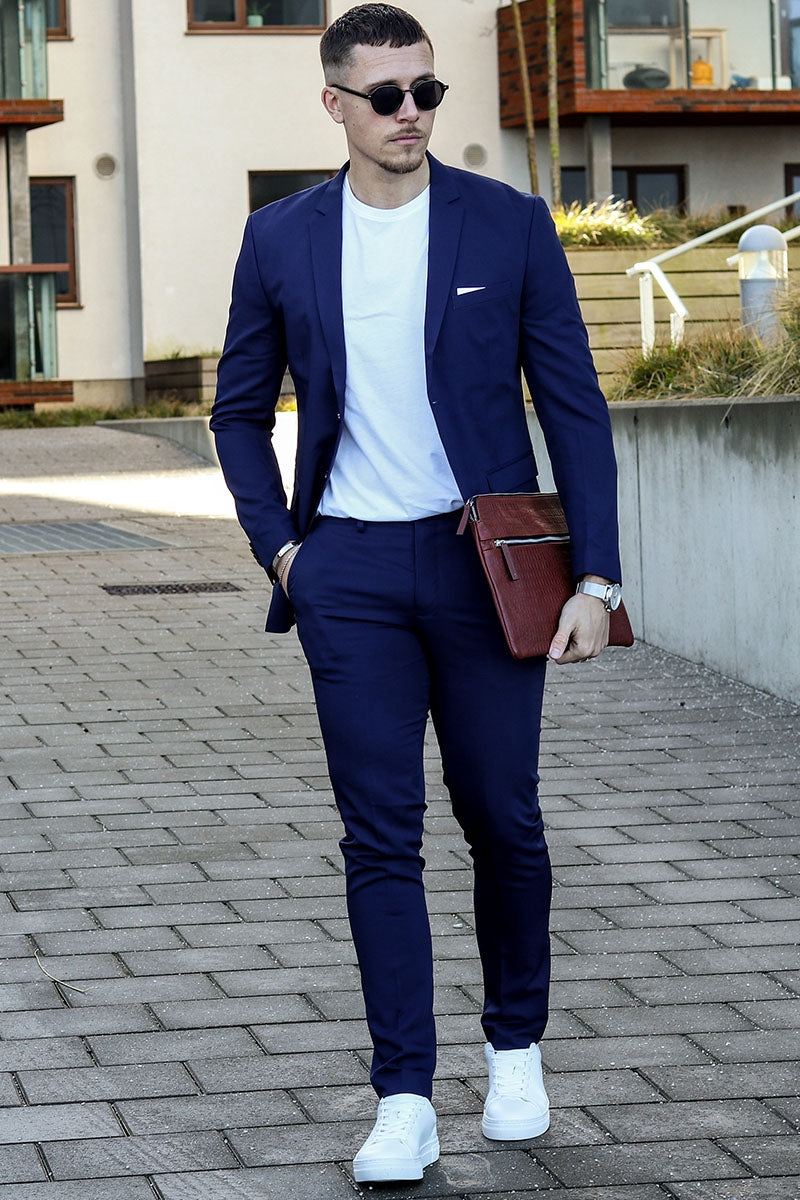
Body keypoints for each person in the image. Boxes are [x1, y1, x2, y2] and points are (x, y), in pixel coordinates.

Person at [210, 2, 622, 1185]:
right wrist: (284, 554)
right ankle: (402, 1097)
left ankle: (514, 1047)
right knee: (378, 836)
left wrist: (593, 577)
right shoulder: (279, 239)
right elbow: (236, 411)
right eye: (384, 95)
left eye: (425, 92)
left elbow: (573, 406)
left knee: (501, 815)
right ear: (333, 102)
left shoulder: (506, 223)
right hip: (347, 572)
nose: (409, 114)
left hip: (483, 567)